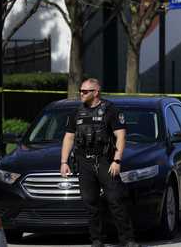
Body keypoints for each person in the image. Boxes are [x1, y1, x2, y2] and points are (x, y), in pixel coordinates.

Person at [60, 78, 138, 247]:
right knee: (90, 202)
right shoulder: (77, 112)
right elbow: (69, 137)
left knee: (116, 200)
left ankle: (128, 239)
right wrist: (64, 162)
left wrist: (117, 160)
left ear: (96, 92)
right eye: (80, 91)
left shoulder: (111, 110)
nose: (81, 94)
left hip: (105, 161)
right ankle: (97, 240)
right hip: (84, 162)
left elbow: (121, 136)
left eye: (85, 91)